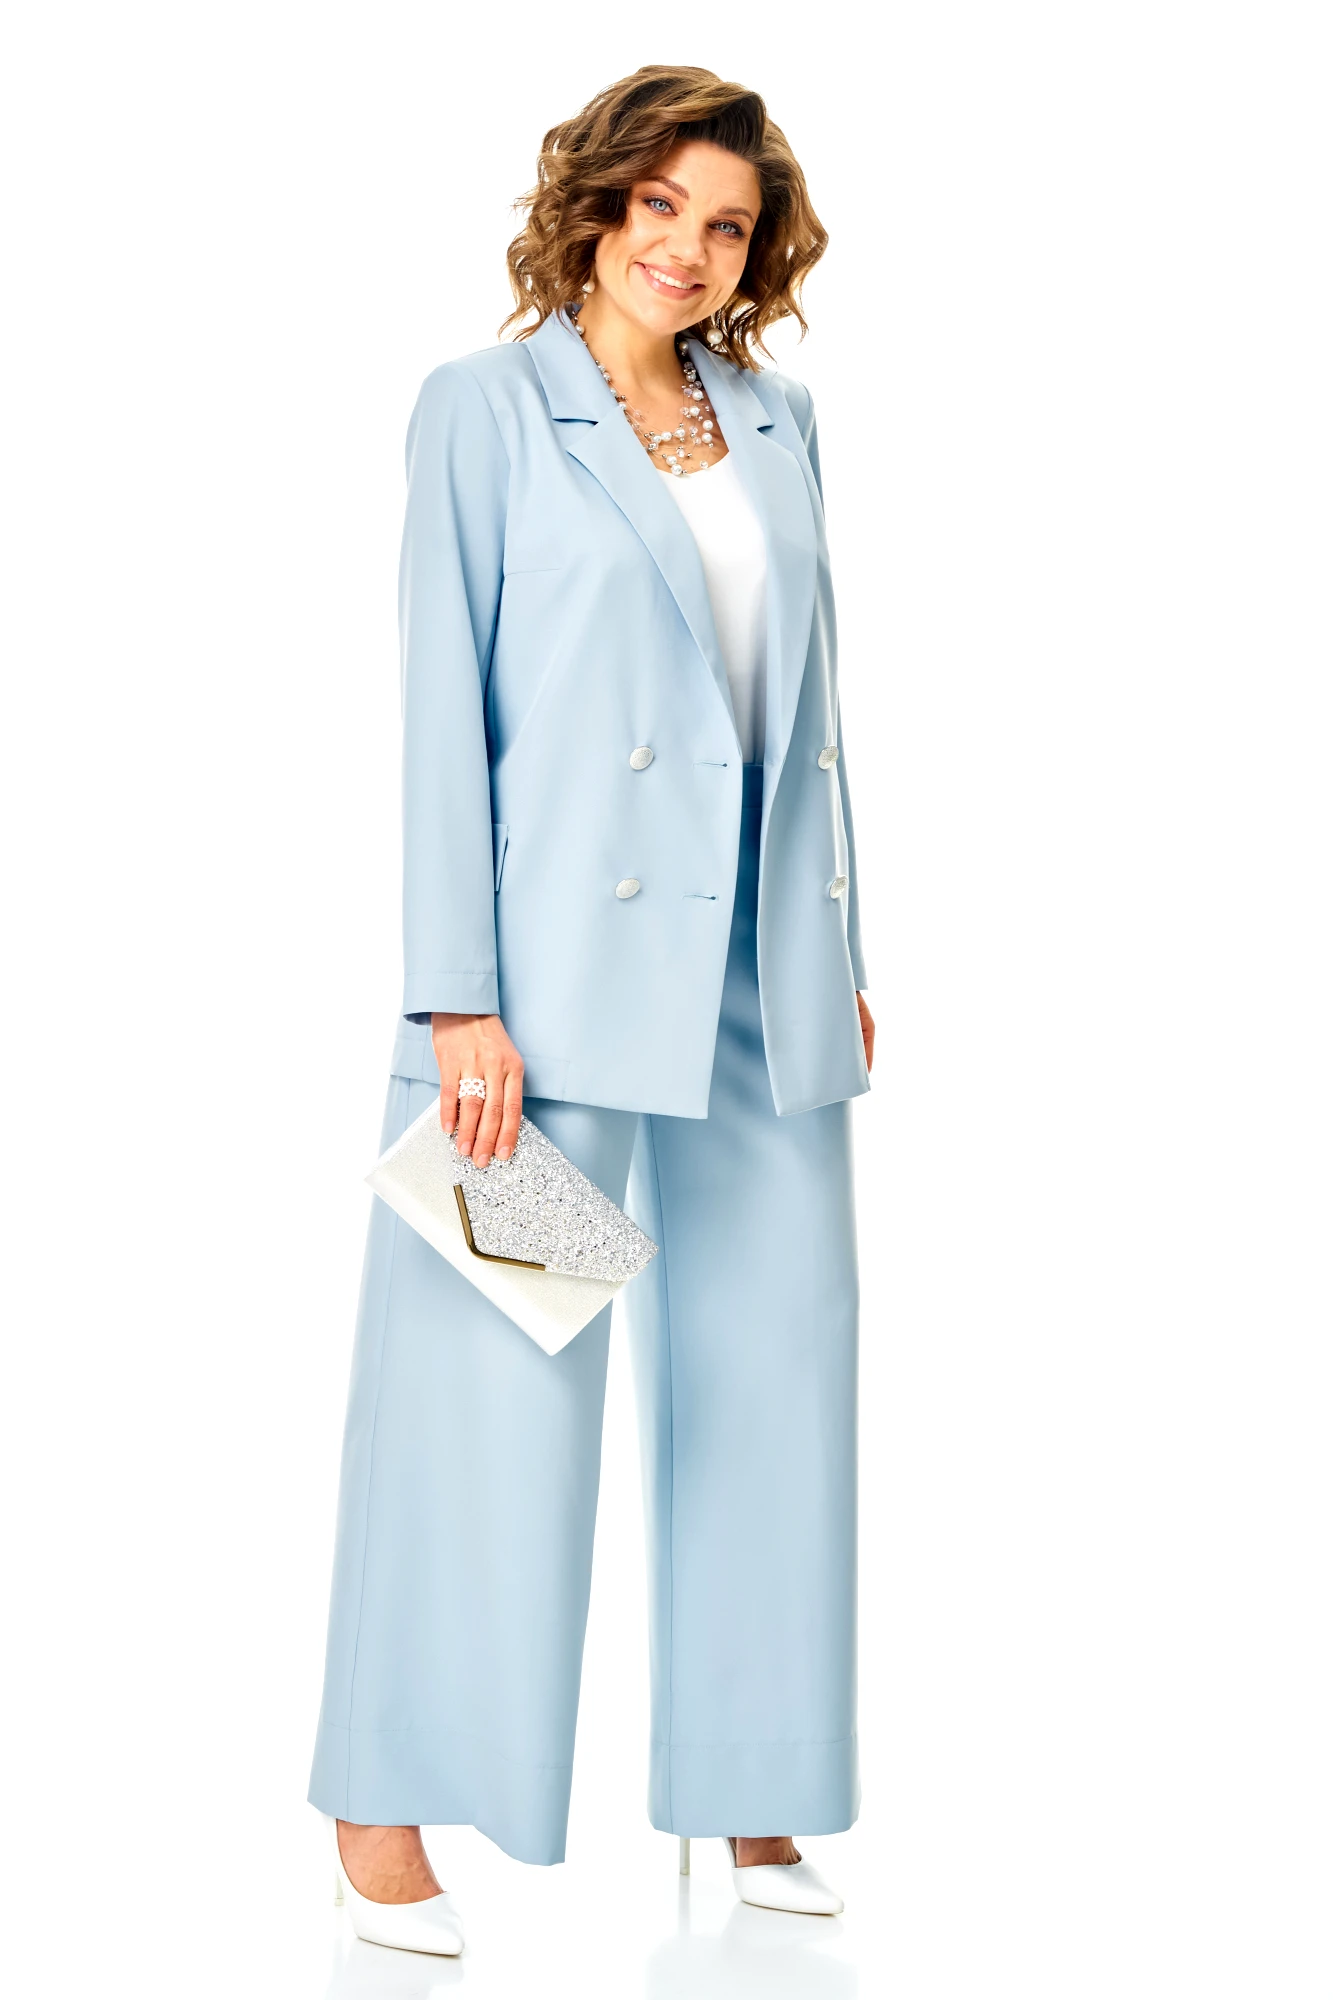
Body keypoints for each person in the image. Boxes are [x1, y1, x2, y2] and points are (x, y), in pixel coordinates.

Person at [310, 65, 874, 1956]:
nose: (686, 249)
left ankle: (755, 1782)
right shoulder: (484, 411)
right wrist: (455, 1003)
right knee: (492, 1387)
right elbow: (439, 718)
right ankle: (388, 1803)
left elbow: (812, 712)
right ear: (596, 202)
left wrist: (842, 955)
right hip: (544, 1005)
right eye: (659, 206)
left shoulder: (780, 423)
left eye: (726, 225)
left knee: (776, 1377)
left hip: (759, 987)